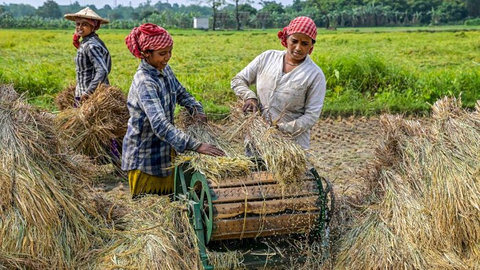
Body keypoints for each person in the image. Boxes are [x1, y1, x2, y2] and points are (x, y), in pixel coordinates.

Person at [122, 23, 225, 198]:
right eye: (162, 53)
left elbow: (180, 92)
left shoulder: (164, 69)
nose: (167, 57)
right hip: (145, 156)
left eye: (170, 51)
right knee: (150, 209)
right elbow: (160, 125)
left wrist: (195, 109)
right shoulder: (145, 82)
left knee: (172, 200)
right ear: (146, 54)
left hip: (165, 150)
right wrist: (197, 145)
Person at [231, 16, 326, 150]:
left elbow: (311, 116)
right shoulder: (267, 58)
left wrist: (280, 128)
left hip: (291, 146)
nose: (298, 48)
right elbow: (238, 80)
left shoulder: (314, 75)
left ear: (311, 46)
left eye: (304, 43)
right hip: (256, 140)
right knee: (256, 170)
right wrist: (249, 97)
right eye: (294, 41)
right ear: (286, 39)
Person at [64, 7, 111, 107]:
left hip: (91, 98)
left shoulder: (91, 45)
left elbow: (102, 70)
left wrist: (88, 92)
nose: (80, 27)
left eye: (84, 24)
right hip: (82, 93)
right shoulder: (86, 42)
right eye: (78, 24)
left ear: (93, 27)